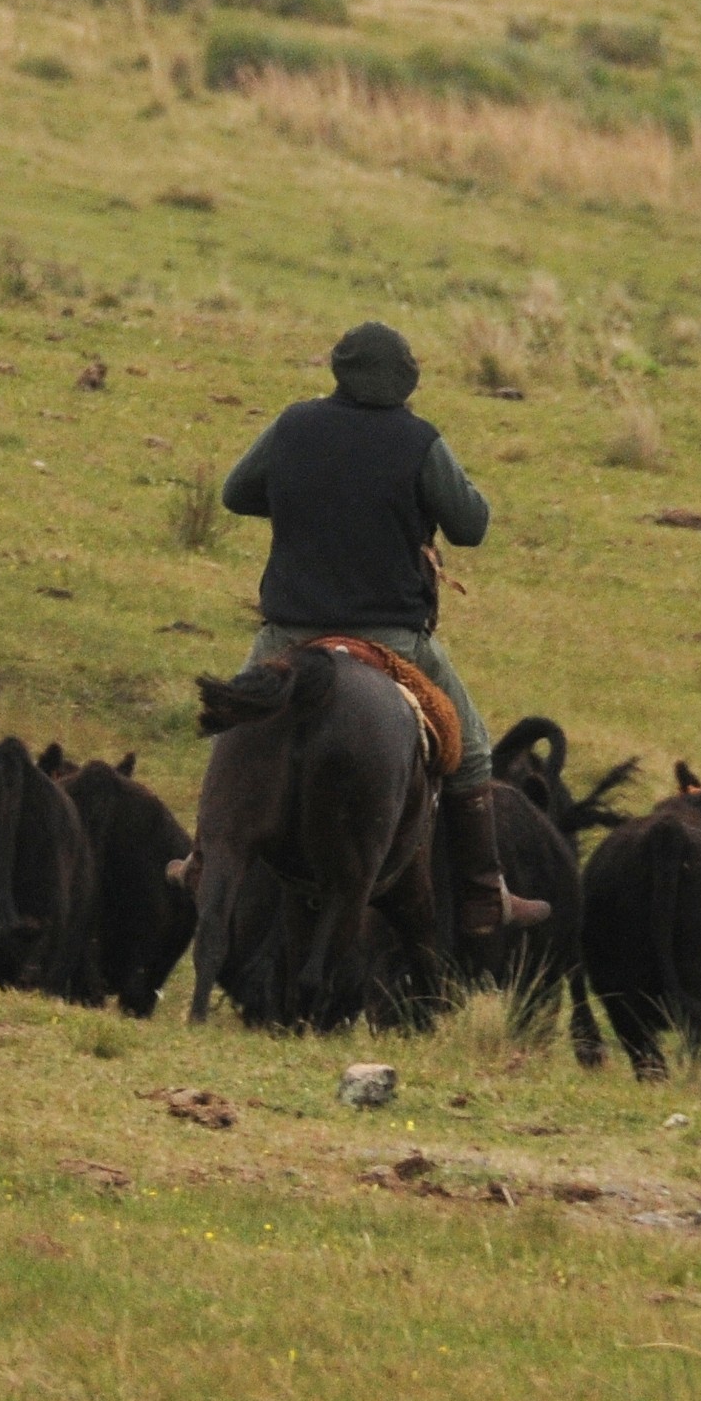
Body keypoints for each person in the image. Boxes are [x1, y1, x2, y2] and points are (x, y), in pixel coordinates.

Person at [218, 320, 548, 954]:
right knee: (473, 746)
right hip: (393, 641)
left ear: (340, 371)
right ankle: (484, 895)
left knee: (234, 721)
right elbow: (472, 526)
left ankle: (205, 861)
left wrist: (305, 504)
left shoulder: (293, 425)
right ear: (403, 381)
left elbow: (237, 494)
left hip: (290, 634)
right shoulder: (419, 441)